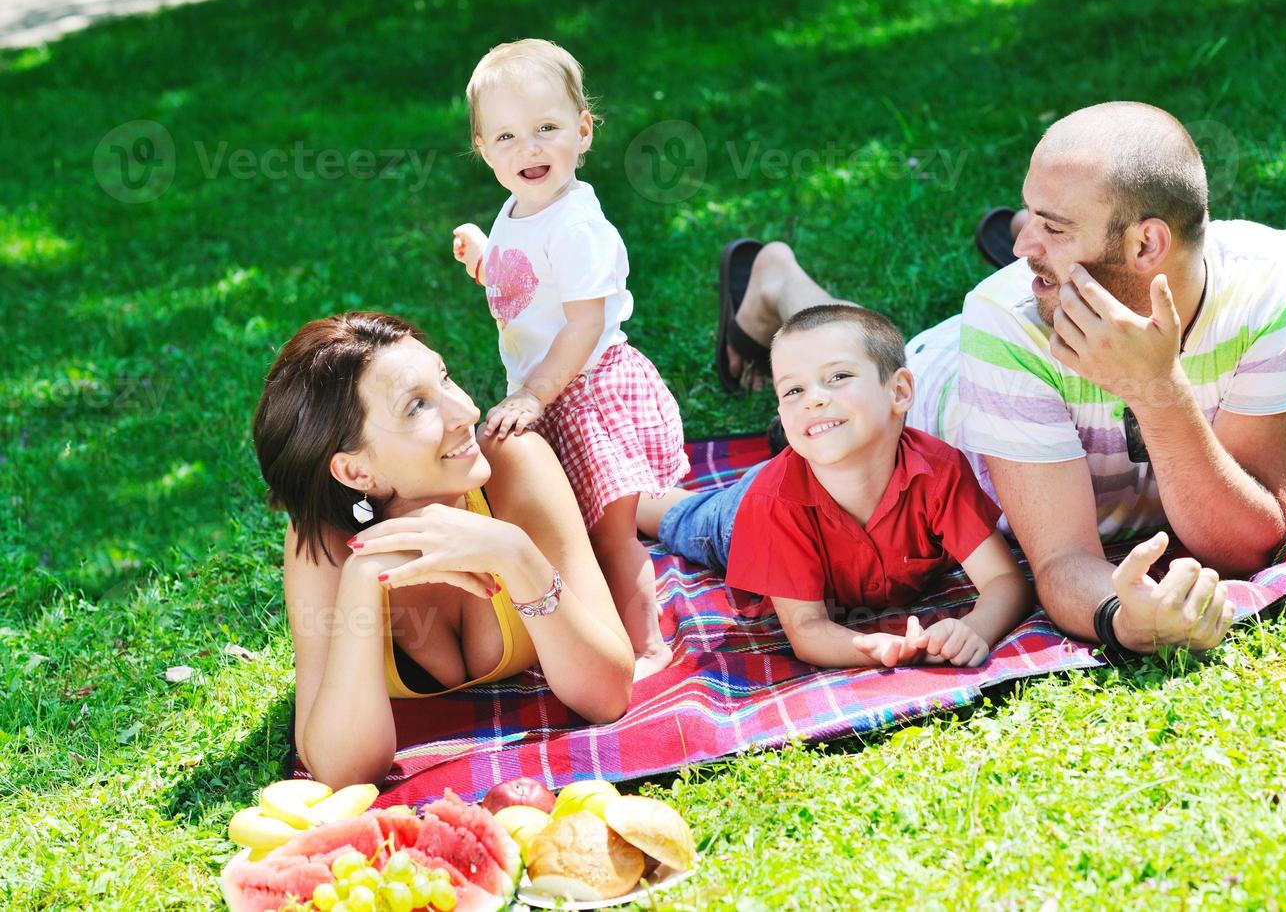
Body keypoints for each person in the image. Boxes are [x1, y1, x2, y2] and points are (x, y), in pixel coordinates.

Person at [713, 102, 1286, 656]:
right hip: (928, 396)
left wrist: (1155, 390)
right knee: (854, 365)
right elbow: (1062, 563)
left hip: (1081, 327)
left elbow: (1245, 543)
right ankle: (779, 280)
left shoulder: (1277, 288)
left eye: (1052, 226)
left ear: (1147, 246)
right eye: (1029, 223)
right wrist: (1128, 619)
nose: (1026, 250)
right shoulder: (1003, 319)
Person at [251, 312, 635, 788]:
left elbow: (608, 694)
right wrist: (363, 577)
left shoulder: (514, 462)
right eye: (417, 406)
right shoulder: (324, 544)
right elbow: (342, 771)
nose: (467, 411)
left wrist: (515, 553)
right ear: (355, 473)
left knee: (645, 513)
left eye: (445, 378)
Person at [450, 38, 687, 678]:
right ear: (482, 147)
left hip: (587, 391)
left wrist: (534, 395)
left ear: (582, 132)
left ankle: (646, 645)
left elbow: (582, 324)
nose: (528, 149)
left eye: (547, 129)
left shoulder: (578, 226)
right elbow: (526, 286)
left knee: (611, 534)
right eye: (506, 138)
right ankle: (591, 626)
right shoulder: (520, 210)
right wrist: (484, 257)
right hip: (551, 391)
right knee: (573, 529)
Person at [639, 305, 1034, 668]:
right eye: (794, 390)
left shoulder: (939, 472)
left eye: (838, 377)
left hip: (800, 476)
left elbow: (1004, 581)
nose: (813, 399)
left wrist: (975, 628)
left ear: (898, 392)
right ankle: (611, 491)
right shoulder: (771, 506)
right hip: (740, 514)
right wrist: (876, 649)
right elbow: (808, 630)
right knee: (678, 517)